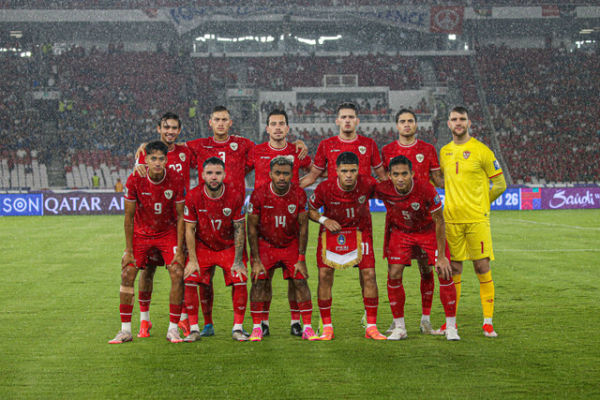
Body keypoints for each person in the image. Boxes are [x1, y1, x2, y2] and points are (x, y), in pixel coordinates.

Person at [183, 106, 307, 338]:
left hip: (237, 214)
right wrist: (142, 153)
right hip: (209, 215)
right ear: (210, 122)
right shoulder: (200, 145)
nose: (220, 123)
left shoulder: (245, 145)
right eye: (216, 119)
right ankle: (205, 324)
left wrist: (298, 150)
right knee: (204, 278)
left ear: (231, 123)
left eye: (225, 120)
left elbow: (302, 162)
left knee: (270, 273)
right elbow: (171, 148)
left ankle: (264, 324)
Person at [437, 106, 506, 337]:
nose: (458, 123)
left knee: (482, 267)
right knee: (453, 269)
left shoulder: (482, 151)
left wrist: (482, 204)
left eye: (462, 119)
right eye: (454, 119)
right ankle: (450, 323)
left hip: (477, 220)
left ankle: (487, 322)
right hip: (452, 221)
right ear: (448, 124)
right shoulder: (444, 152)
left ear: (469, 122)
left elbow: (500, 184)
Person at [108, 141, 186, 344]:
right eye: (153, 159)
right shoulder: (135, 178)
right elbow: (128, 216)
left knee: (177, 272)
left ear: (167, 161)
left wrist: (180, 248)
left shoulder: (176, 179)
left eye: (161, 159)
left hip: (167, 233)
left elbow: (180, 217)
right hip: (142, 234)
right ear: (146, 160)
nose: (157, 162)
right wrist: (128, 249)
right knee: (127, 273)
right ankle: (125, 330)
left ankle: (173, 329)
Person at [375, 156, 459, 341]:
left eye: (404, 173)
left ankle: (451, 326)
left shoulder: (426, 189)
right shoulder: (383, 189)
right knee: (394, 272)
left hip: (427, 231)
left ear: (412, 173)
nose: (400, 178)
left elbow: (439, 220)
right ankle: (400, 327)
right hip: (401, 232)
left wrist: (442, 256)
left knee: (444, 271)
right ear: (389, 175)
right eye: (395, 174)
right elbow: (361, 191)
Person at [308, 151, 386, 341]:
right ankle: (327, 327)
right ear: (336, 171)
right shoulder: (325, 188)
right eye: (344, 171)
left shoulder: (367, 183)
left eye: (352, 170)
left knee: (369, 275)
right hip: (332, 233)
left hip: (360, 232)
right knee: (325, 275)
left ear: (358, 170)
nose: (349, 175)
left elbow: (388, 194)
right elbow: (309, 210)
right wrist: (324, 220)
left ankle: (371, 326)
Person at [380, 109, 443, 335]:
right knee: (394, 271)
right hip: (398, 221)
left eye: (410, 121)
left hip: (424, 220)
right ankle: (398, 322)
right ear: (396, 125)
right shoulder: (387, 151)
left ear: (416, 125)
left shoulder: (427, 149)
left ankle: (425, 319)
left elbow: (437, 180)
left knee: (427, 270)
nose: (406, 125)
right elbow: (382, 182)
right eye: (402, 121)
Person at [133, 112, 196, 338]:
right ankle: (144, 321)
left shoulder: (187, 152)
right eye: (166, 127)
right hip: (151, 223)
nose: (170, 131)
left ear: (179, 131)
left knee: (182, 270)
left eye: (174, 128)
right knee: (147, 271)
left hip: (177, 221)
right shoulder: (147, 153)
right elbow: (137, 176)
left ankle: (183, 318)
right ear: (159, 128)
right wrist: (137, 158)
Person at [252, 109, 312, 337]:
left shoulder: (296, 151)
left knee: (294, 278)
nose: (277, 127)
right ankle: (263, 323)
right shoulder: (256, 151)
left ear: (288, 128)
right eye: (273, 124)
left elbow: (317, 171)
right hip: (264, 222)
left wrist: (299, 188)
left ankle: (296, 321)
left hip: (290, 222)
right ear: (266, 128)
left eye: (281, 124)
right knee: (263, 278)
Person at [247, 156, 319, 341]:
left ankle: (307, 327)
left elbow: (304, 227)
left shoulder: (299, 194)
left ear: (291, 175)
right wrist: (255, 260)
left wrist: (301, 259)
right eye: (277, 173)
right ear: (270, 174)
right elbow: (252, 228)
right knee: (259, 281)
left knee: (300, 281)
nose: (281, 177)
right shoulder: (258, 194)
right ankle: (258, 326)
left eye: (286, 174)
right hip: (266, 244)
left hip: (290, 244)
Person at [182, 157, 249, 342]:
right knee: (191, 278)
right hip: (203, 246)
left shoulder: (235, 195)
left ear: (224, 175)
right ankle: (195, 329)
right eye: (210, 173)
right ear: (202, 175)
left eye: (218, 173)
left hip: (228, 246)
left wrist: (237, 261)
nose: (214, 177)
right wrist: (193, 260)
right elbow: (189, 229)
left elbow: (239, 229)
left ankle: (238, 328)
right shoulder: (194, 195)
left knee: (240, 278)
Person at [300, 102, 387, 188]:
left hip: (362, 198)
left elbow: (382, 176)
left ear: (357, 121)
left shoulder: (369, 143)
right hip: (335, 198)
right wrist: (291, 190)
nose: (347, 120)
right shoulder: (326, 144)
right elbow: (312, 177)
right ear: (337, 121)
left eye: (351, 117)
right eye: (343, 117)